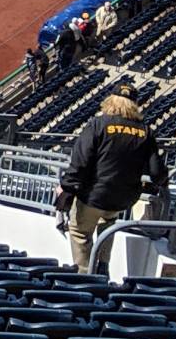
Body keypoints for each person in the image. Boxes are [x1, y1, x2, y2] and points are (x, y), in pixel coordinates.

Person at [59, 83, 165, 273]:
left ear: (110, 101)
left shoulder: (98, 124)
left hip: (94, 194)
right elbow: (157, 172)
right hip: (123, 198)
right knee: (107, 225)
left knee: (79, 232)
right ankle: (103, 266)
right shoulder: (145, 132)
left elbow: (81, 160)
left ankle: (84, 274)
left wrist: (67, 186)